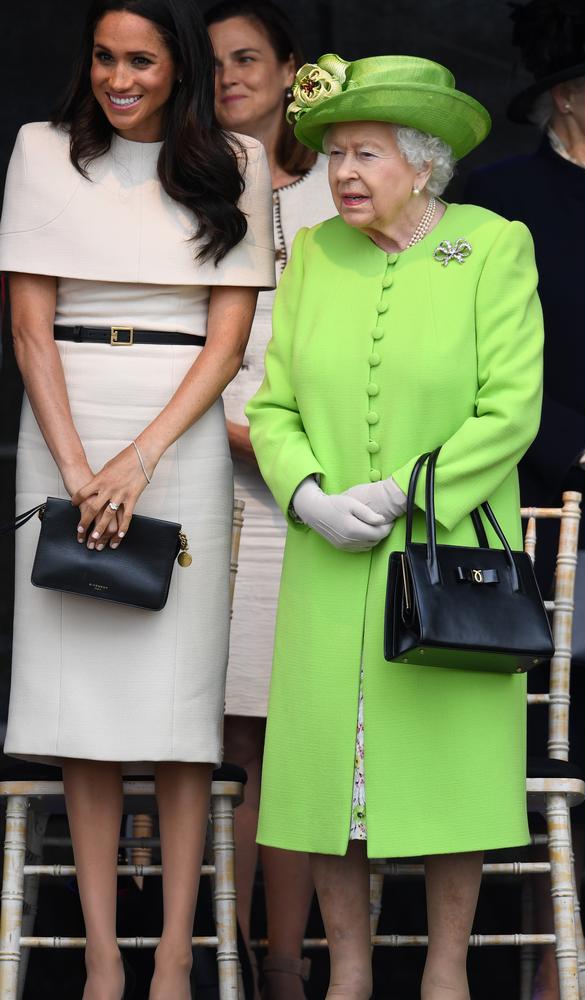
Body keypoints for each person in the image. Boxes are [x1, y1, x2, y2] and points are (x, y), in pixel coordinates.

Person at [246, 52, 544, 1000]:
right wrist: (309, 499)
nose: (341, 174)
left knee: (451, 774)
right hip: (331, 565)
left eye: (365, 153)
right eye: (333, 154)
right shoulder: (315, 257)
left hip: (446, 557)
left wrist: (410, 491)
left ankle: (445, 978)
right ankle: (348, 980)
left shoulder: (491, 246)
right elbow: (273, 407)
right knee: (335, 784)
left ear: (421, 162)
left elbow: (511, 408)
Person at [0, 0, 274, 996]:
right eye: (107, 59)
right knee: (84, 711)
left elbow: (227, 341)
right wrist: (79, 471)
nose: (120, 78)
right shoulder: (40, 150)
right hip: (63, 424)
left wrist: (141, 461)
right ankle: (104, 963)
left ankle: (172, 963)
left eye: (143, 62)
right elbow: (30, 331)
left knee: (178, 708)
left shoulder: (232, 163)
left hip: (178, 438)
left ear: (178, 70)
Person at [465, 2, 585, 997]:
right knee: (548, 773)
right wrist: (583, 445)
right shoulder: (491, 200)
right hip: (546, 532)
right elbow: (469, 366)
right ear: (561, 95)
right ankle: (548, 980)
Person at [204, 4, 333, 997]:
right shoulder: (193, 190)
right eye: (211, 64)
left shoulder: (343, 187)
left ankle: (286, 967)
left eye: (247, 59)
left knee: (298, 731)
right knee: (232, 736)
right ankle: (225, 960)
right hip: (219, 481)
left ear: (293, 70)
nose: (227, 78)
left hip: (320, 496)